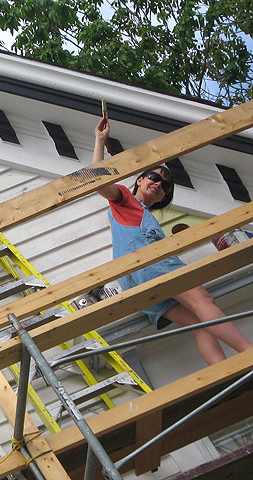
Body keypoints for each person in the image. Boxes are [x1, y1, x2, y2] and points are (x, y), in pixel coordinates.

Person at [92, 115, 253, 365]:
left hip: (136, 282)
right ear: (139, 180)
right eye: (154, 178)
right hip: (150, 265)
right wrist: (99, 141)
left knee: (200, 325)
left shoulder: (139, 213)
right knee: (203, 301)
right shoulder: (125, 199)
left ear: (162, 199)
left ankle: (224, 370)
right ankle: (248, 352)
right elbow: (99, 181)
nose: (159, 184)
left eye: (165, 186)